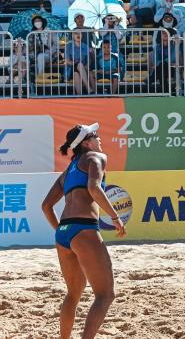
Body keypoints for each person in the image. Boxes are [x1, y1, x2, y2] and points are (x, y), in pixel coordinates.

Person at [41, 123, 126, 339]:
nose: (99, 139)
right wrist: (115, 217)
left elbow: (46, 206)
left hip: (64, 232)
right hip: (84, 228)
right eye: (95, 136)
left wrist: (64, 233)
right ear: (87, 143)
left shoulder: (67, 171)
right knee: (105, 295)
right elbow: (94, 188)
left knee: (73, 295)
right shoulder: (96, 157)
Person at [64, 30, 93, 95]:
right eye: (76, 33)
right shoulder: (68, 46)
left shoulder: (85, 46)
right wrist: (75, 63)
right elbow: (67, 61)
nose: (78, 35)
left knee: (77, 73)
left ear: (82, 35)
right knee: (78, 66)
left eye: (79, 33)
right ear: (73, 36)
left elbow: (89, 60)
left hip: (83, 70)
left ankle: (80, 96)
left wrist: (86, 66)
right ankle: (88, 88)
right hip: (71, 69)